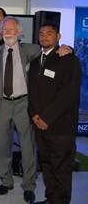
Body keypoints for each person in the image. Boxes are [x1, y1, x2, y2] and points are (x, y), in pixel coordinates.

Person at [0, 16, 71, 203]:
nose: (8, 32)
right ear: (1, 32)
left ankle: (29, 186)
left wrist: (68, 47)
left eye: (11, 29)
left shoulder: (32, 50)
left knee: (27, 147)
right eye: (5, 29)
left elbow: (52, 50)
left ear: (19, 32)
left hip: (24, 104)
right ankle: (6, 181)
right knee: (2, 146)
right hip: (1, 104)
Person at [28, 24, 81, 204]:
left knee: (61, 169)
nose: (44, 36)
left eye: (49, 33)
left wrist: (46, 118)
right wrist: (35, 115)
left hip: (60, 126)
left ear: (58, 36)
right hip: (40, 126)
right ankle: (51, 198)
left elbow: (68, 94)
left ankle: (61, 201)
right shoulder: (36, 62)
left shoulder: (69, 60)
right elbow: (32, 92)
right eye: (41, 34)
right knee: (48, 166)